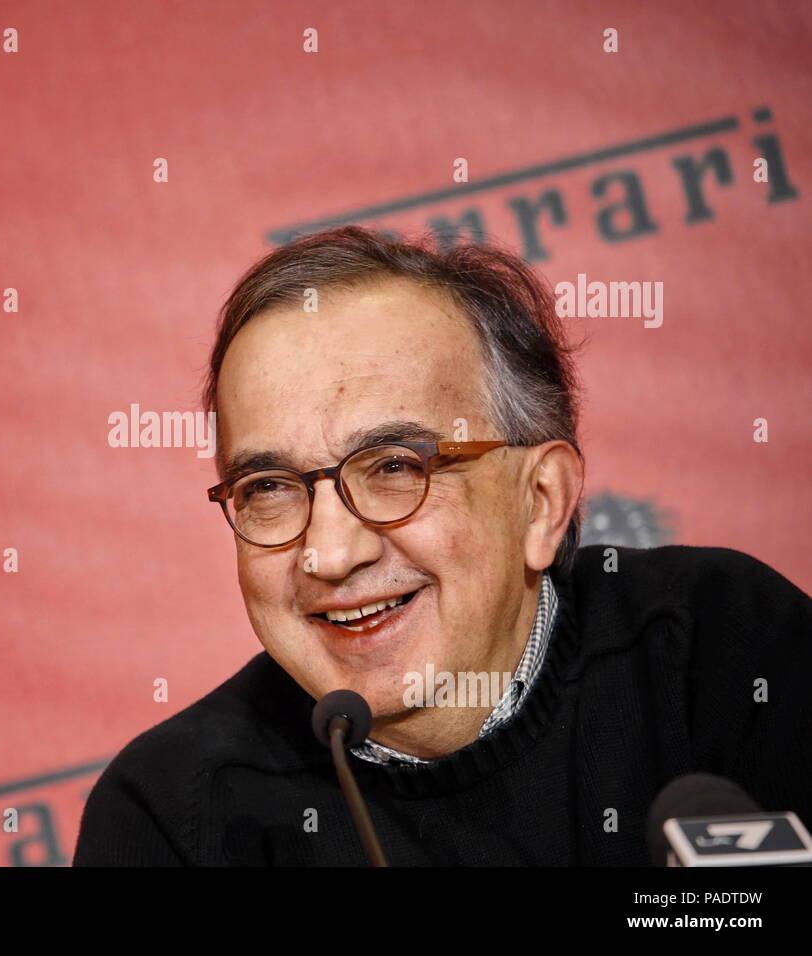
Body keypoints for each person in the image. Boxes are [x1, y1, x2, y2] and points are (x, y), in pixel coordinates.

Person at [73, 227, 812, 865]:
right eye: (267, 487)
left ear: (539, 501)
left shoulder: (726, 654)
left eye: (396, 467)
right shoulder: (170, 816)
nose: (329, 555)